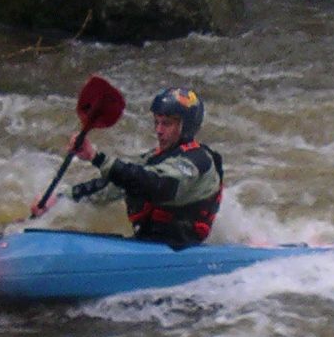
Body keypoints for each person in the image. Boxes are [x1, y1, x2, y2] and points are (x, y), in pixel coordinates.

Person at [37, 86, 223, 246]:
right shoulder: (155, 158)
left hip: (181, 248)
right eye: (156, 122)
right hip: (150, 245)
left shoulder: (198, 162)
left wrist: (96, 158)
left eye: (166, 124)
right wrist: (60, 200)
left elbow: (157, 185)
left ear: (186, 127)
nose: (158, 130)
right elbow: (112, 186)